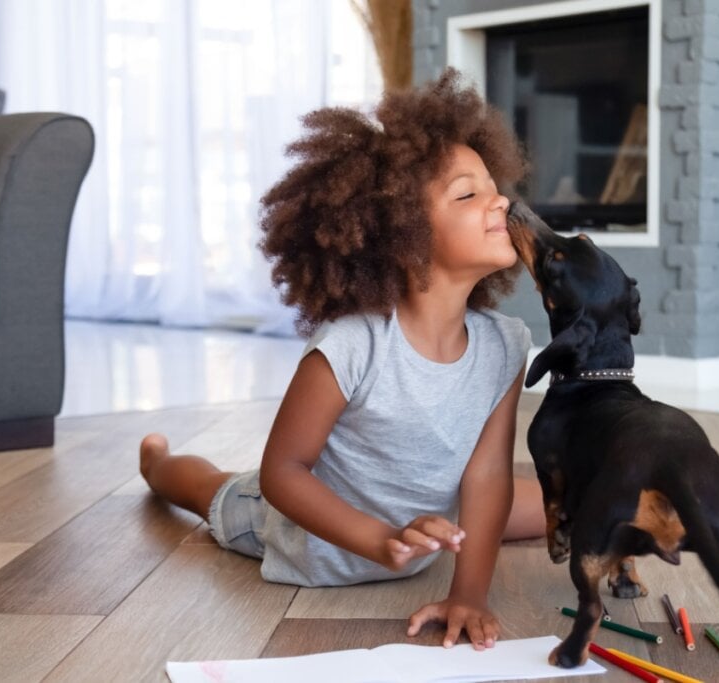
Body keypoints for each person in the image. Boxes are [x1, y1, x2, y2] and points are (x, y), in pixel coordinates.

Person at [139, 68, 545, 651]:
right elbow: (283, 472)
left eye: (493, 185)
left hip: (424, 526)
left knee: (542, 501)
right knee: (210, 489)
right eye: (468, 193)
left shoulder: (506, 343)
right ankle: (156, 461)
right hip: (305, 538)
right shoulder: (353, 343)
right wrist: (379, 539)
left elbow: (485, 478)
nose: (500, 200)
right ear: (403, 235)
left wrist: (469, 596)